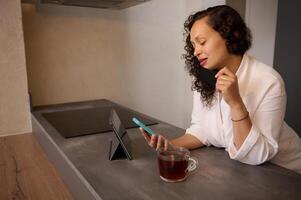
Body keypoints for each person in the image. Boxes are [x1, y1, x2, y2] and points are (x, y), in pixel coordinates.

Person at [140, 5, 301, 173]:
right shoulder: (204, 78)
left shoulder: (269, 81)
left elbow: (256, 156)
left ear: (231, 35)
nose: (196, 51)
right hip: (247, 174)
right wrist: (170, 145)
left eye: (202, 42)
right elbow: (201, 130)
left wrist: (236, 103)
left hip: (286, 173)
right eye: (193, 45)